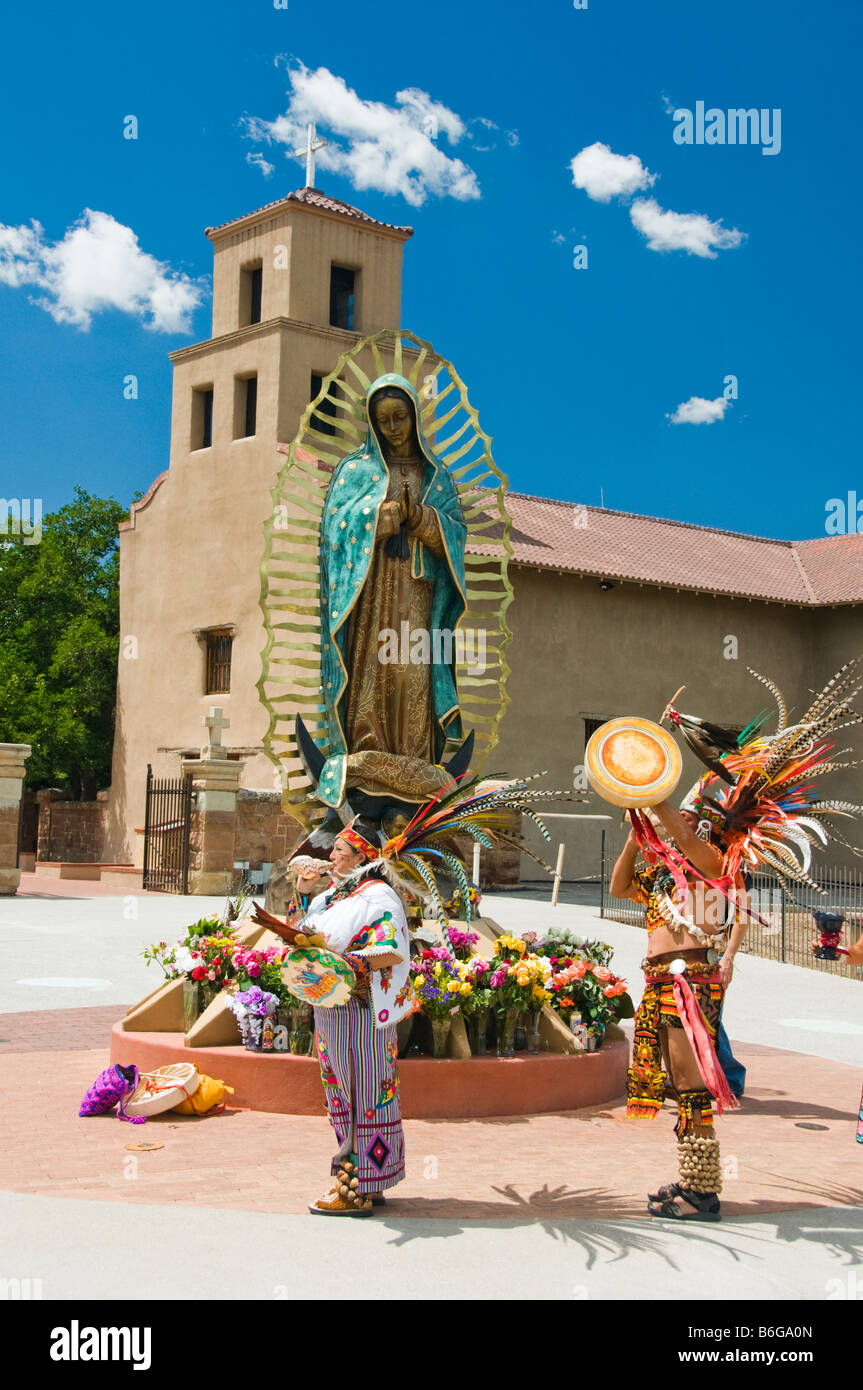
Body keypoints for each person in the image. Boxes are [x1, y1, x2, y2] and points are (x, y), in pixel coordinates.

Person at [315, 373, 467, 807]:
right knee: (371, 675)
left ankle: (414, 761)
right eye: (384, 421)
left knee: (412, 671)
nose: (394, 427)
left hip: (419, 596)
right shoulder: (355, 471)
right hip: (371, 596)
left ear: (415, 418)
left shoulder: (436, 476)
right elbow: (333, 532)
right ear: (372, 424)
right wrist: (378, 518)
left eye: (401, 417)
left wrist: (421, 519)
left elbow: (457, 533)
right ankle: (366, 757)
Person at [611, 794, 739, 1221]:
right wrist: (634, 839)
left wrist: (653, 798)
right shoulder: (661, 880)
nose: (673, 824)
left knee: (691, 1084)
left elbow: (683, 836)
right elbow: (618, 887)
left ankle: (701, 1194)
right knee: (679, 1085)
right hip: (661, 982)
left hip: (691, 984)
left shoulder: (712, 866)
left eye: (685, 818)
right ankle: (692, 1180)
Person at [292, 820, 414, 1216]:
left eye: (340, 851)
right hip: (330, 1012)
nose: (331, 856)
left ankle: (358, 1187)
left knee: (367, 1093)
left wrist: (342, 964)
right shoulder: (330, 898)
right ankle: (366, 1180)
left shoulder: (379, 898)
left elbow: (392, 950)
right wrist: (302, 893)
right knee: (341, 1092)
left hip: (362, 1014)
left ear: (364, 857)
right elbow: (301, 935)